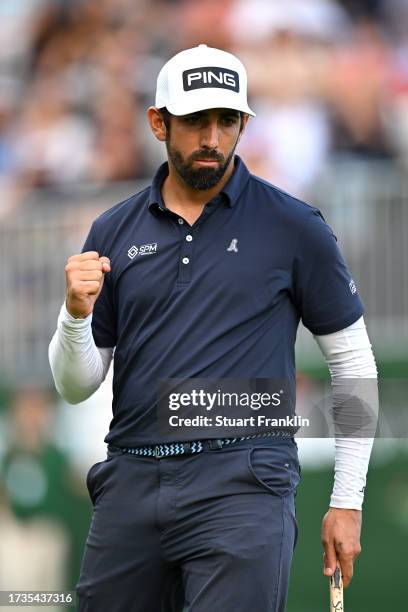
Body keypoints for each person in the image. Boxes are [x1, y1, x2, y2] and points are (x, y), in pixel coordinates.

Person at [49, 44, 378, 611]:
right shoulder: (111, 229)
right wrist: (74, 315)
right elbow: (76, 385)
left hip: (244, 483)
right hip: (131, 479)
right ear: (158, 122)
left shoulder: (294, 226)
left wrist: (348, 498)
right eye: (196, 121)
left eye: (227, 121)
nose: (212, 138)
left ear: (244, 124)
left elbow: (354, 365)